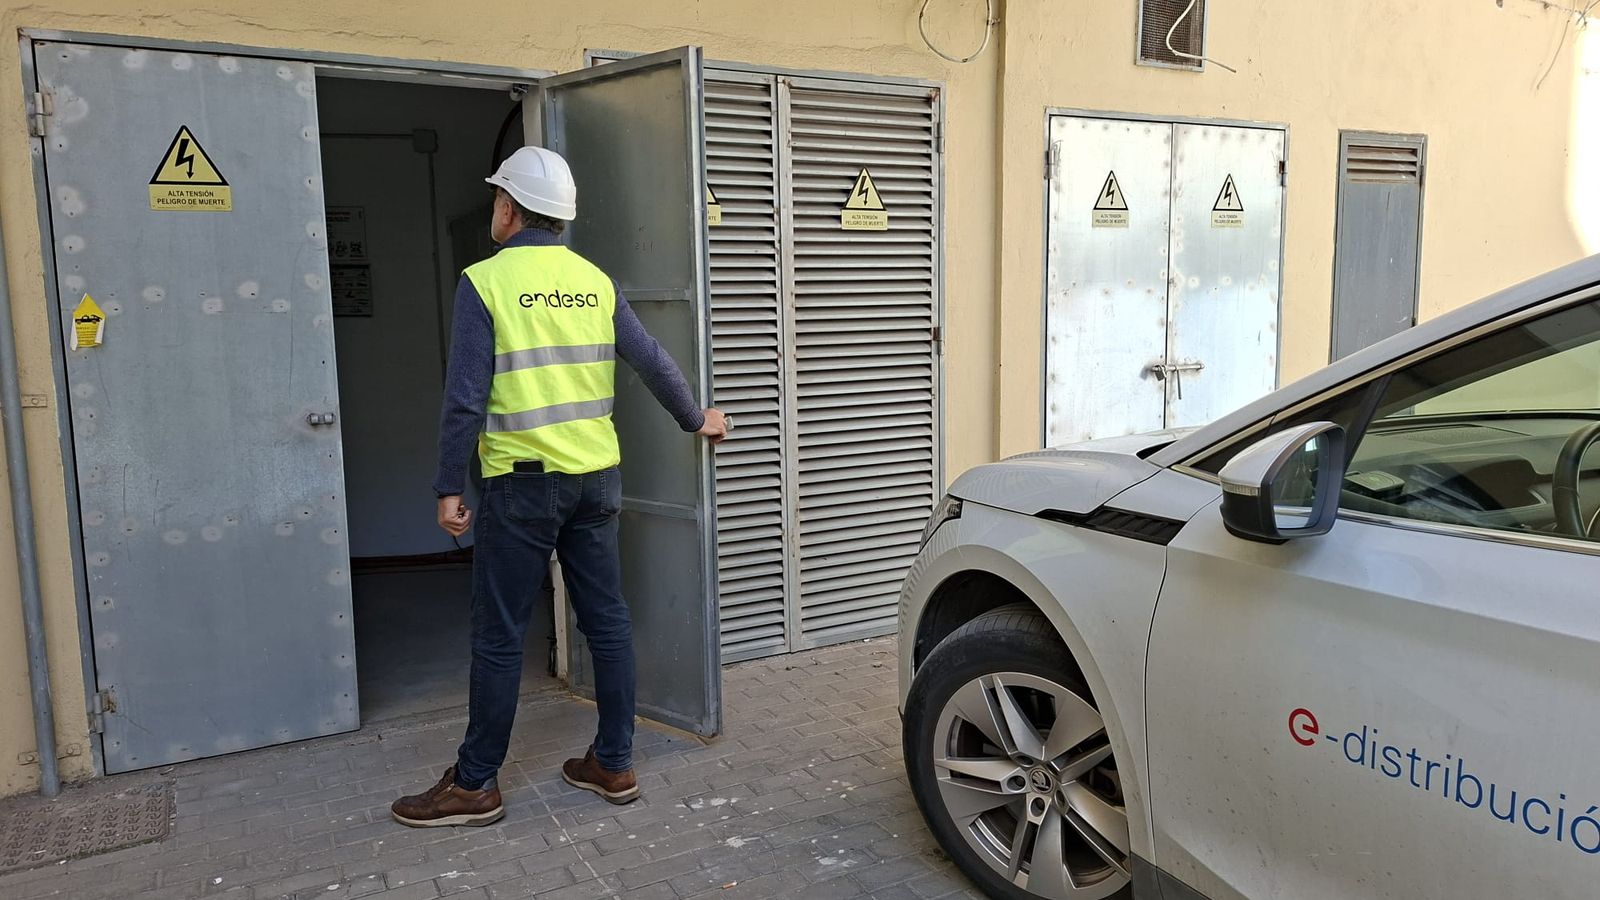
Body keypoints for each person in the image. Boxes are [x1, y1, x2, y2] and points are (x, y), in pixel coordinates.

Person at [391, 146, 728, 827]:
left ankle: (475, 784)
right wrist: (697, 418)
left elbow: (465, 398)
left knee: (499, 635)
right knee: (607, 622)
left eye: (497, 198)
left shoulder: (485, 282)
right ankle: (613, 763)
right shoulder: (593, 281)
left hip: (521, 486)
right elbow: (650, 358)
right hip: (595, 481)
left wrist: (448, 485)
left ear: (509, 208)